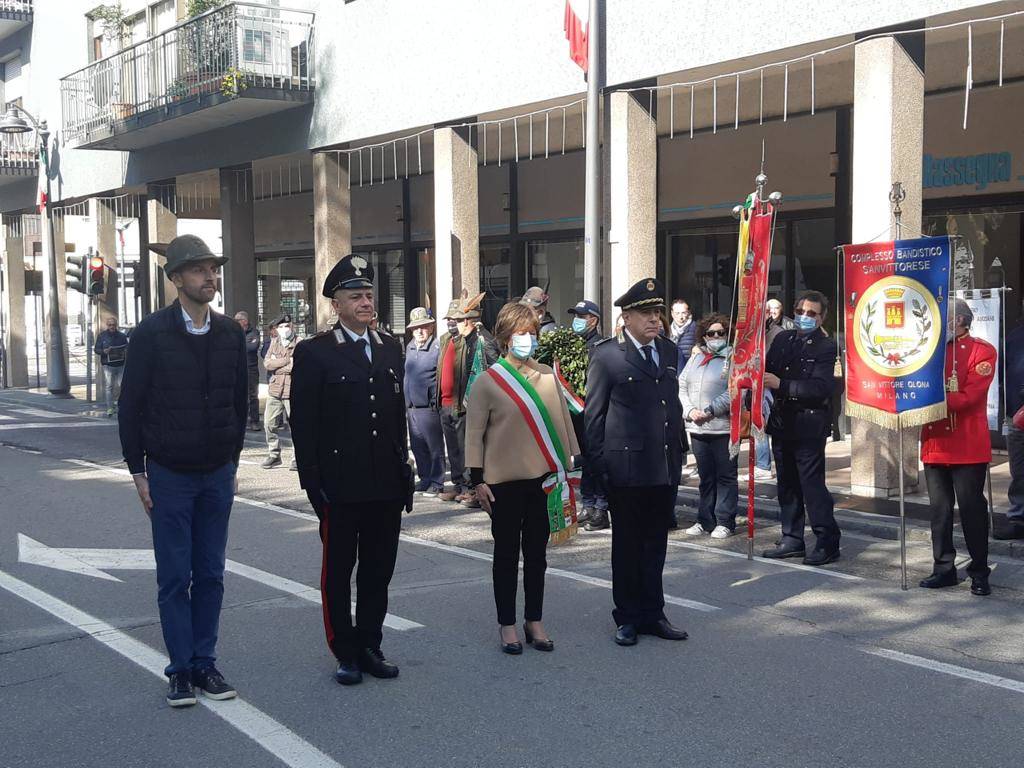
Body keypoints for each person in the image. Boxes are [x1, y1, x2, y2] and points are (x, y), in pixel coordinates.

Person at [118, 234, 247, 707]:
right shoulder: (151, 333)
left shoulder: (231, 333)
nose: (210, 277)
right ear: (175, 279)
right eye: (199, 269)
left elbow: (239, 403)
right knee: (175, 576)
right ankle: (179, 669)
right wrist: (138, 472)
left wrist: (232, 461)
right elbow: (130, 407)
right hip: (169, 473)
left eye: (213, 268)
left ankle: (204, 663)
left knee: (211, 573)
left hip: (216, 472)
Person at [290, 254, 412, 686]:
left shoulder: (390, 347)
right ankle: (345, 651)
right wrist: (314, 486)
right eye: (355, 296)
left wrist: (404, 472)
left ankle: (370, 644)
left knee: (379, 571)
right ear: (335, 304)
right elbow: (303, 427)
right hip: (341, 486)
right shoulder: (315, 353)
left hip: (385, 484)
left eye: (368, 294)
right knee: (339, 574)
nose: (365, 302)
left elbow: (396, 417)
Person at [467, 302, 579, 654]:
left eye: (532, 333)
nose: (528, 339)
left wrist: (569, 468)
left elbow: (563, 423)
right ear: (504, 337)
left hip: (543, 479)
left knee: (537, 554)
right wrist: (476, 479)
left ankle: (535, 619)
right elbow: (473, 434)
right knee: (505, 555)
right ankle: (507, 624)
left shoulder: (547, 374)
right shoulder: (488, 381)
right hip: (502, 482)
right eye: (521, 334)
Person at [585, 277, 688, 647]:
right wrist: (599, 469)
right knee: (628, 546)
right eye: (645, 313)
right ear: (626, 317)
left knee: (656, 544)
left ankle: (653, 612)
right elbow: (593, 418)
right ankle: (627, 616)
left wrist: (680, 450)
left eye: (657, 313)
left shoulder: (670, 350)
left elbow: (670, 405)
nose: (654, 320)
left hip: (663, 465)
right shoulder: (606, 355)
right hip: (625, 470)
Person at [919, 299, 997, 595]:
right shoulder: (930, 350)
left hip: (967, 444)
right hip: (936, 442)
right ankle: (944, 568)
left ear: (962, 320)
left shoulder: (983, 350)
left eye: (947, 319)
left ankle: (979, 571)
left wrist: (926, 398)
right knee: (939, 511)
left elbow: (969, 398)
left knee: (971, 509)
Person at [760, 290, 841, 565]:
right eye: (801, 311)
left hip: (809, 424)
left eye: (812, 313)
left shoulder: (826, 346)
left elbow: (821, 388)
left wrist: (782, 385)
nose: (805, 317)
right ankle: (792, 538)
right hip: (782, 422)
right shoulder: (783, 338)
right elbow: (766, 370)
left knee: (812, 486)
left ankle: (826, 540)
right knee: (787, 484)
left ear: (822, 317)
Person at [679, 313, 738, 538]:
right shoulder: (696, 357)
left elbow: (734, 390)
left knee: (725, 476)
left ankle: (725, 520)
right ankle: (705, 519)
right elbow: (682, 385)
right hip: (698, 428)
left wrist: (711, 410)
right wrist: (690, 410)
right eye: (710, 333)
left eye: (720, 333)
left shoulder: (733, 358)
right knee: (706, 477)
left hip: (722, 427)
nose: (715, 337)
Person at [437, 294, 499, 507]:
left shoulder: (484, 340)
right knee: (465, 448)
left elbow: (495, 372)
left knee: (473, 449)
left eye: (461, 320)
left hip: (481, 406)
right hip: (469, 404)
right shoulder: (466, 339)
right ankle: (469, 486)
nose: (457, 324)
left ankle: (475, 488)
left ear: (471, 320)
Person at [566, 299, 610, 531]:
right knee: (585, 460)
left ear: (593, 320)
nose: (577, 322)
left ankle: (601, 509)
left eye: (581, 317)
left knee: (597, 461)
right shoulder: (573, 344)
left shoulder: (601, 346)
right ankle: (588, 504)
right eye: (576, 317)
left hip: (596, 412)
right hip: (577, 413)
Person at [404, 306, 445, 497]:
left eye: (424, 327)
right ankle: (425, 477)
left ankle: (437, 481)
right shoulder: (410, 347)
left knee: (434, 446)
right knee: (418, 445)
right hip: (411, 407)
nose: (419, 331)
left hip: (428, 407)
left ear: (431, 327)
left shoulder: (437, 348)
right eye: (416, 328)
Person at [996, 309, 1024, 540]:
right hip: (1016, 416)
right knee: (1019, 469)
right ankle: (1018, 516)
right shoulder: (1013, 339)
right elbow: (1001, 378)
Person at [261, 314, 298, 470]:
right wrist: (285, 361)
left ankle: (297, 458)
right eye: (281, 327)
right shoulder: (274, 343)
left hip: (292, 389)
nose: (284, 329)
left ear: (292, 327)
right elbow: (267, 364)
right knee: (269, 423)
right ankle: (274, 454)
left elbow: (295, 365)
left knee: (296, 425)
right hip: (276, 388)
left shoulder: (299, 343)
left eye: (287, 326)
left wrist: (279, 364)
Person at [94, 315, 129, 417]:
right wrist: (104, 351)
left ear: (116, 325)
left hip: (120, 364)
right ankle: (110, 407)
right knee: (109, 387)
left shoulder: (122, 336)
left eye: (113, 325)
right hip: (108, 365)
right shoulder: (102, 336)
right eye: (109, 325)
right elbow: (96, 349)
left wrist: (126, 350)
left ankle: (121, 406)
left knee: (122, 386)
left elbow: (127, 347)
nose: (111, 327)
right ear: (107, 325)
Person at [234, 311, 262, 432]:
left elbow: (252, 348)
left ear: (244, 321)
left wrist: (239, 345)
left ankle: (254, 421)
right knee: (239, 395)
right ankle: (240, 420)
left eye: (237, 320)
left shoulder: (254, 332)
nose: (235, 322)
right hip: (237, 368)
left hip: (251, 369)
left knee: (253, 396)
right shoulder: (234, 332)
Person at [669, 299, 697, 370]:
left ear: (689, 313)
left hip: (690, 372)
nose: (681, 317)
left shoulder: (696, 329)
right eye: (677, 313)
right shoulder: (667, 331)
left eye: (683, 313)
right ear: (672, 314)